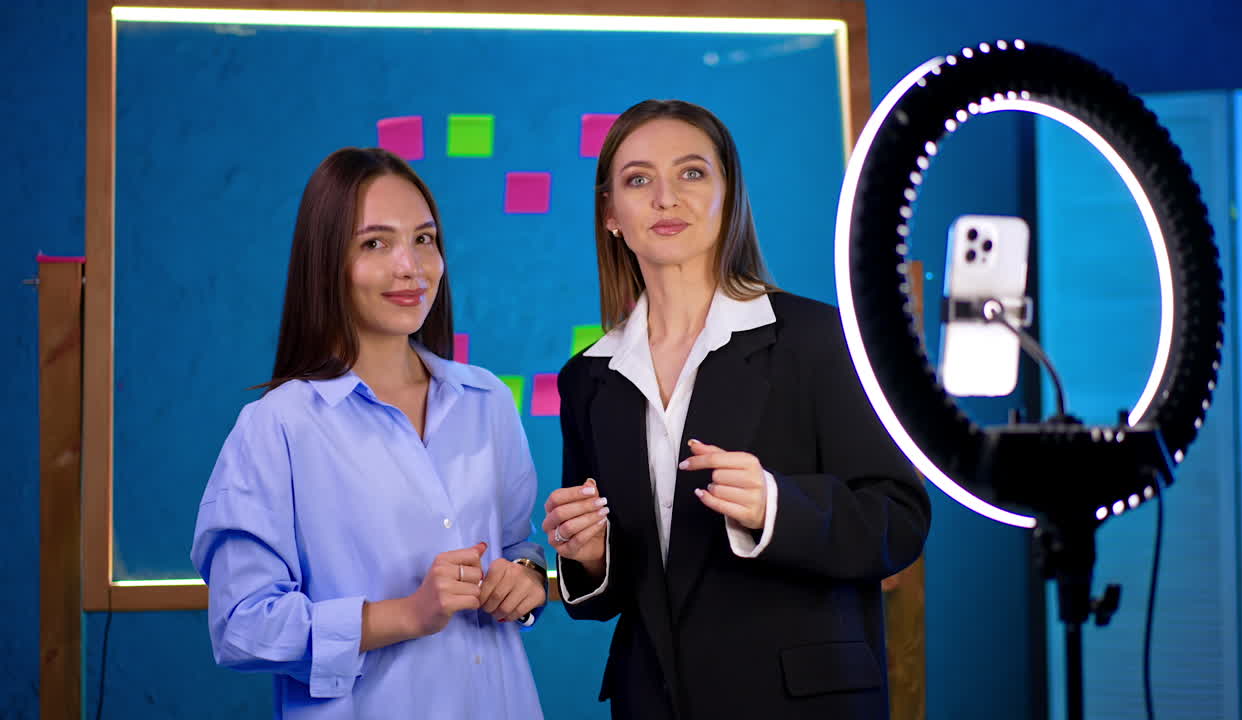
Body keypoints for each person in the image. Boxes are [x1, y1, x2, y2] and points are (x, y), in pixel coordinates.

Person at [542, 100, 931, 720]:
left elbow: (899, 520)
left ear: (730, 196)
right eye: (638, 179)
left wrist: (776, 505)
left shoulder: (821, 339)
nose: (666, 198)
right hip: (654, 704)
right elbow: (602, 597)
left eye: (692, 173)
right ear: (610, 213)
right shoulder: (589, 378)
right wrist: (589, 556)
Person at [191, 147, 547, 719]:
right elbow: (241, 626)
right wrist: (406, 614)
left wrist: (527, 579)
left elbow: (516, 547)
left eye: (424, 239)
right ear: (327, 262)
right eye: (375, 243)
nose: (410, 266)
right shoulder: (277, 427)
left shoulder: (487, 402)